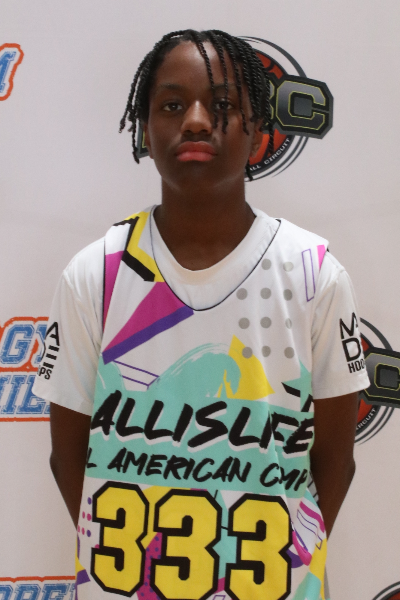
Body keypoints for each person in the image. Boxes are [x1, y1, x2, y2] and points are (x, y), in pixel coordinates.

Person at [33, 29, 369, 600]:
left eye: (222, 106)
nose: (194, 121)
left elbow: (336, 461)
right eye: (171, 105)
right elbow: (69, 459)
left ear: (257, 128)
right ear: (144, 129)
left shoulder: (315, 274)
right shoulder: (96, 274)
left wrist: (283, 567)